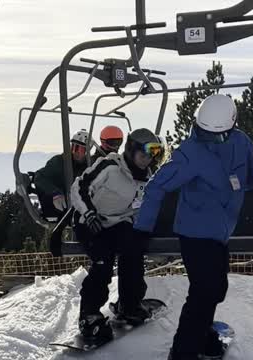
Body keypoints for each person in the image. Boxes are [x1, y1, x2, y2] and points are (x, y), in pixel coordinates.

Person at [133, 94, 253, 359]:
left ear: (231, 126)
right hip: (194, 232)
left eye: (216, 136)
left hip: (221, 231)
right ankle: (184, 350)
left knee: (216, 289)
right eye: (204, 133)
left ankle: (203, 333)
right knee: (203, 292)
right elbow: (156, 187)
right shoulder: (190, 152)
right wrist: (142, 229)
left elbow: (252, 176)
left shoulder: (242, 143)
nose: (209, 140)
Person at [70, 128, 164, 340]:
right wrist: (88, 213)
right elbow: (79, 187)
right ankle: (89, 315)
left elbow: (138, 207)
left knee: (133, 253)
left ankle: (128, 304)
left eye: (151, 156)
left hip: (118, 222)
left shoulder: (146, 178)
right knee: (103, 261)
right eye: (143, 155)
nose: (146, 161)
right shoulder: (110, 166)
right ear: (131, 150)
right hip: (90, 220)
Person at [34, 129, 89, 219]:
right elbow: (39, 177)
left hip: (80, 208)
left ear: (87, 151)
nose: (77, 152)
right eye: (74, 148)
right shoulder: (59, 162)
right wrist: (55, 193)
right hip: (59, 207)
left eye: (81, 150)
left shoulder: (88, 166)